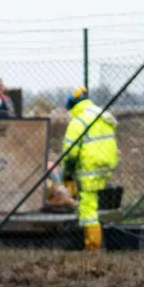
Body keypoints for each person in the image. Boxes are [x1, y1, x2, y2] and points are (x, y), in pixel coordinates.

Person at [59, 87, 119, 253]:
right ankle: (102, 240)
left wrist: (67, 172)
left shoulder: (77, 122)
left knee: (88, 208)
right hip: (107, 165)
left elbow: (70, 153)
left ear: (73, 107)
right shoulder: (101, 115)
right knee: (98, 204)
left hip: (89, 168)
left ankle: (92, 248)